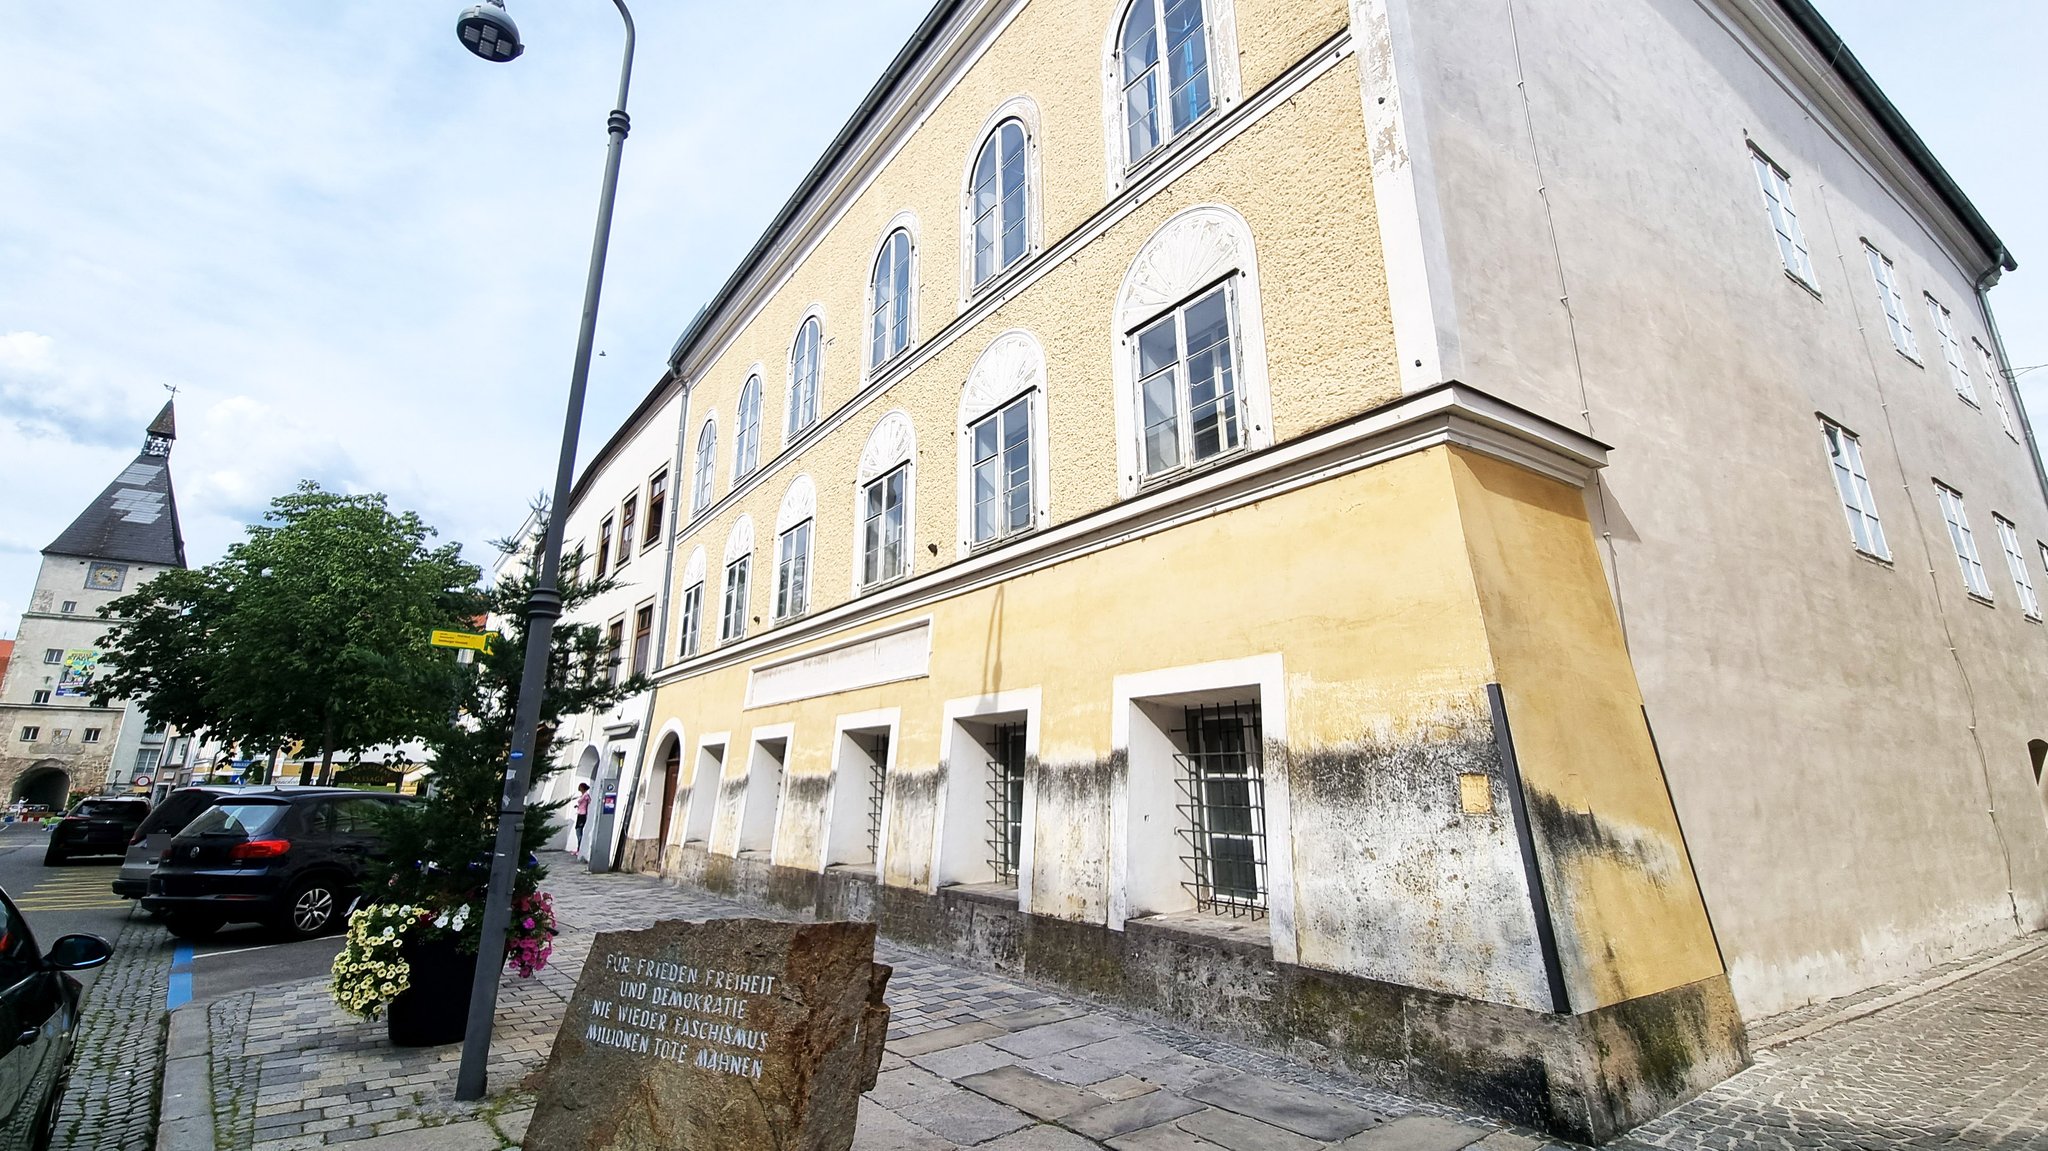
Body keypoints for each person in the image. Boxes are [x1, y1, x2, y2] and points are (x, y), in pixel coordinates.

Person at [573, 782, 592, 856]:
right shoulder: (583, 795)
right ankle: (578, 848)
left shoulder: (586, 795)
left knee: (579, 830)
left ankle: (580, 848)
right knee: (578, 830)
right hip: (580, 813)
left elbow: (589, 802)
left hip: (582, 815)